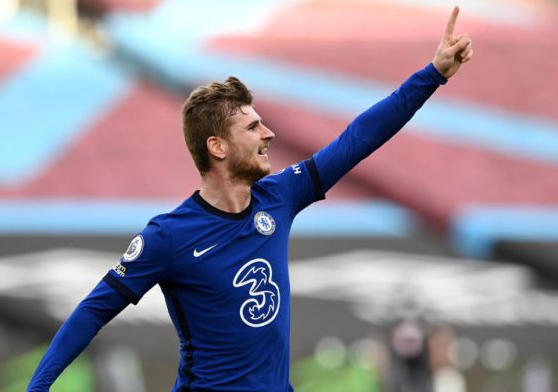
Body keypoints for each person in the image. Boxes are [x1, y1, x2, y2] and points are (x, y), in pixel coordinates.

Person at [28, 6, 473, 391]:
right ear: (218, 147)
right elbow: (94, 310)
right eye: (252, 127)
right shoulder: (169, 235)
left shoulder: (280, 195)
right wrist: (40, 386)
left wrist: (431, 75)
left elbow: (358, 138)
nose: (269, 133)